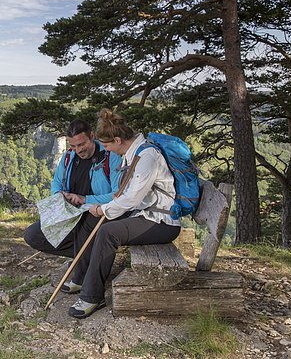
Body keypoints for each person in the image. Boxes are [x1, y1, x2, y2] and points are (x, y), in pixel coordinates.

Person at [67, 109, 182, 319]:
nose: (106, 150)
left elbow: (132, 199)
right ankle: (80, 275)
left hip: (161, 221)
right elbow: (128, 195)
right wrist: (99, 210)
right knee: (91, 219)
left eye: (108, 145)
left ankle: (92, 296)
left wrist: (103, 209)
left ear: (118, 140)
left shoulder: (146, 157)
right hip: (143, 214)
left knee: (108, 232)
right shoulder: (134, 154)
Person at [23, 119, 122, 292]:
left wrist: (85, 199)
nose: (79, 150)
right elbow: (56, 183)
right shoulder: (69, 156)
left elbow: (117, 194)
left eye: (82, 144)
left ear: (92, 136)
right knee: (33, 235)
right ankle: (85, 256)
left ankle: (81, 271)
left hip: (98, 214)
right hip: (71, 214)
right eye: (74, 145)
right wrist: (59, 195)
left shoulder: (109, 156)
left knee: (88, 223)